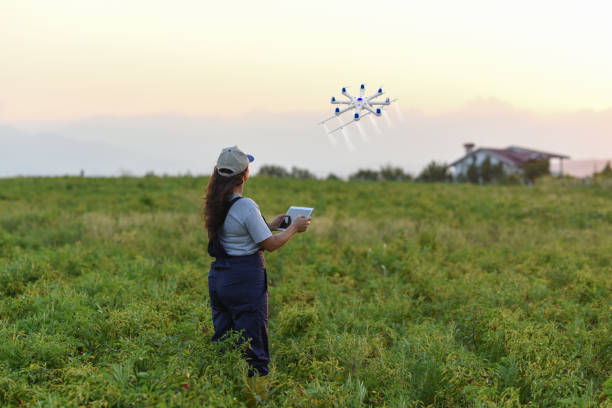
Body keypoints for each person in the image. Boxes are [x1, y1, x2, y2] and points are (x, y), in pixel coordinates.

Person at [203, 146, 311, 377]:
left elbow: (236, 233)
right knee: (254, 349)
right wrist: (294, 228)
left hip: (220, 279)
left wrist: (269, 225)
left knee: (225, 342)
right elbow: (270, 245)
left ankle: (222, 392)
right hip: (244, 280)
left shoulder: (215, 203)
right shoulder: (246, 205)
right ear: (244, 176)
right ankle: (256, 398)